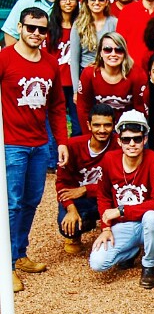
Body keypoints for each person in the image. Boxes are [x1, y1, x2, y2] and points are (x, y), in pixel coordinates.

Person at [0, 7, 69, 293]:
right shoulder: (4, 59)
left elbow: (56, 105)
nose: (36, 34)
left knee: (31, 202)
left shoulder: (50, 63)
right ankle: (6, 265)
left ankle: (19, 253)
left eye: (42, 30)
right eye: (31, 28)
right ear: (19, 27)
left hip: (40, 143)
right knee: (11, 204)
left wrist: (61, 141)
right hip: (11, 143)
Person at [90, 110, 154, 288]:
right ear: (118, 140)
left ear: (145, 139)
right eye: (126, 139)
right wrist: (105, 228)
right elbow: (102, 196)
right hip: (124, 225)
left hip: (148, 223)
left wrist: (122, 210)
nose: (132, 144)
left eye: (137, 139)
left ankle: (148, 265)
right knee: (98, 263)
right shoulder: (109, 159)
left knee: (152, 217)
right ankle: (132, 250)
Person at [56, 103, 118, 254]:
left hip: (109, 198)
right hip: (83, 200)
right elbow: (61, 183)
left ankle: (116, 233)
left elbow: (119, 183)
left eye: (107, 125)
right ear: (88, 125)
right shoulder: (72, 146)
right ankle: (77, 232)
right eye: (97, 125)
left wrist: (85, 189)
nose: (102, 130)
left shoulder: (120, 145)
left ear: (114, 125)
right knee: (67, 225)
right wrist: (70, 208)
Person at [76, 32, 146, 131]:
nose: (113, 54)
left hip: (128, 128)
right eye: (107, 50)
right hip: (100, 128)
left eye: (119, 50)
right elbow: (83, 108)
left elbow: (141, 109)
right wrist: (89, 134)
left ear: (125, 53)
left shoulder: (137, 74)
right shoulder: (89, 74)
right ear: (100, 52)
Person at [69, 0, 118, 96]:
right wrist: (76, 90)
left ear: (106, 2)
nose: (97, 2)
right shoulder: (78, 24)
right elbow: (74, 60)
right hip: (85, 75)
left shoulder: (115, 23)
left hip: (109, 75)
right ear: (86, 2)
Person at [47, 0, 81, 136]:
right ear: (58, 1)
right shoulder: (49, 27)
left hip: (76, 84)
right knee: (55, 124)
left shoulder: (81, 26)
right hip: (56, 83)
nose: (68, 2)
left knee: (78, 125)